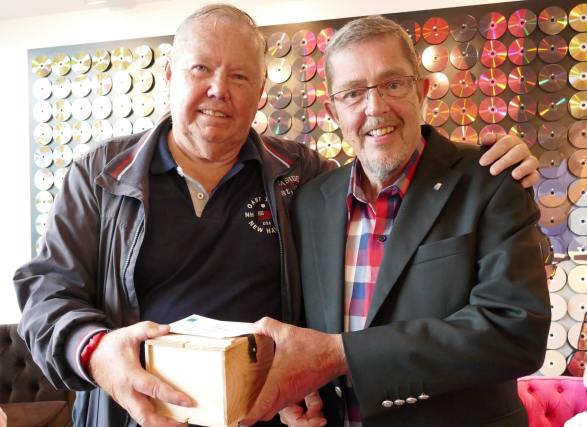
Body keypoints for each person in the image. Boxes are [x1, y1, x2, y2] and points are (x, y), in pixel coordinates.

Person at [14, 5, 540, 427]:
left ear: (261, 92)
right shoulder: (101, 174)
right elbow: (45, 293)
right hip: (134, 417)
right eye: (201, 68)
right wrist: (95, 351)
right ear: (171, 74)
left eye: (240, 75)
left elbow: (395, 191)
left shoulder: (300, 177)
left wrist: (498, 161)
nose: (219, 89)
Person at [242, 15, 551, 427]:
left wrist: (342, 354)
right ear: (333, 111)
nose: (375, 108)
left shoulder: (492, 179)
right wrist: (300, 395)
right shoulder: (312, 201)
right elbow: (304, 327)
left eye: (392, 84)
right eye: (353, 93)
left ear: (422, 91)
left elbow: (516, 333)